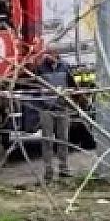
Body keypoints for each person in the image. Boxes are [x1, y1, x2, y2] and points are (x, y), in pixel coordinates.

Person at [35, 51, 72, 182]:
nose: (48, 56)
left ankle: (64, 167)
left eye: (52, 54)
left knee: (63, 139)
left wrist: (68, 93)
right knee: (47, 140)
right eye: (47, 53)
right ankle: (48, 170)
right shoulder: (40, 68)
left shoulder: (65, 67)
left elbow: (71, 84)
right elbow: (35, 87)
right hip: (46, 109)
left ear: (57, 55)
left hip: (62, 107)